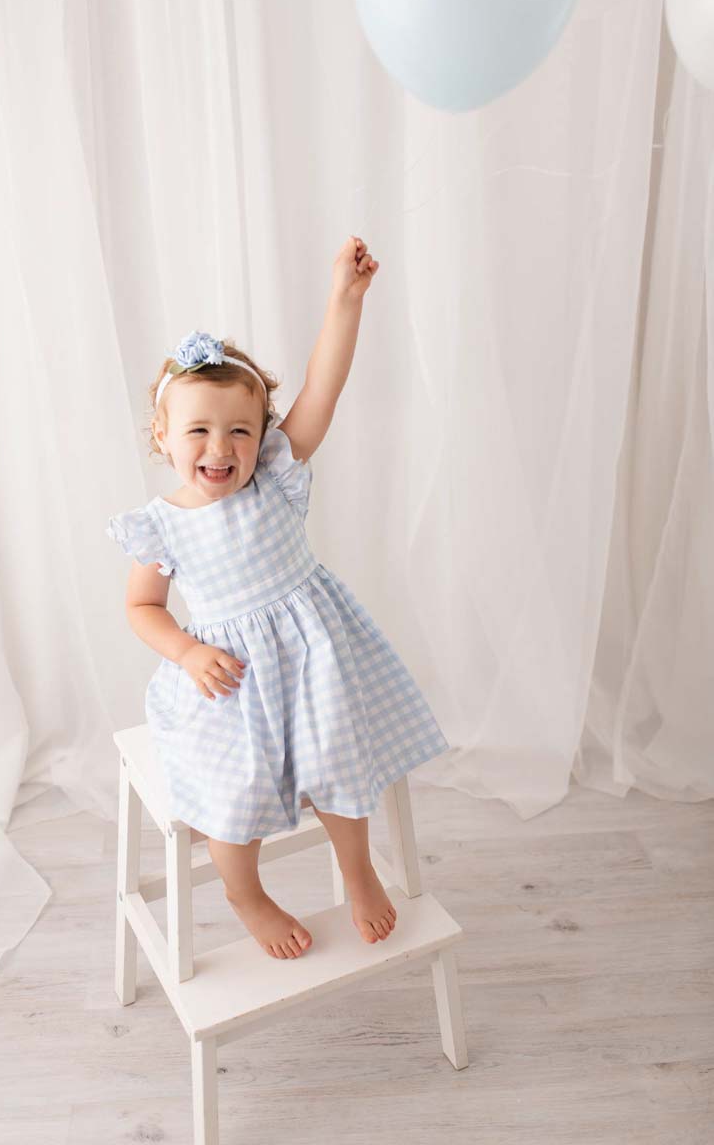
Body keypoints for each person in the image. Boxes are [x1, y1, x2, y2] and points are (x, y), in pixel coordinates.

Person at [106, 236, 450, 961]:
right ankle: (245, 893)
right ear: (162, 435)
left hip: (312, 660)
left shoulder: (273, 479)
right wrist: (188, 650)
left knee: (338, 765)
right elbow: (143, 609)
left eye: (240, 430)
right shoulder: (161, 525)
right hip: (229, 679)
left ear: (262, 437)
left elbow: (321, 389)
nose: (220, 448)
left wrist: (344, 302)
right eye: (198, 430)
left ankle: (356, 873)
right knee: (231, 803)